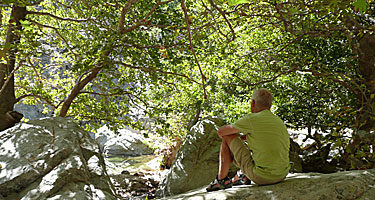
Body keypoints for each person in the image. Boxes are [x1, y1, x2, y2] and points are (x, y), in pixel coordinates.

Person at [206, 88, 290, 192]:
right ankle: (243, 176)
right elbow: (262, 137)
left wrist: (233, 140)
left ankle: (221, 180)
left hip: (263, 177)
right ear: (269, 105)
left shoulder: (252, 119)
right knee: (257, 150)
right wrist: (241, 139)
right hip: (282, 174)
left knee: (227, 137)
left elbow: (221, 132)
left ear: (253, 103)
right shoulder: (278, 121)